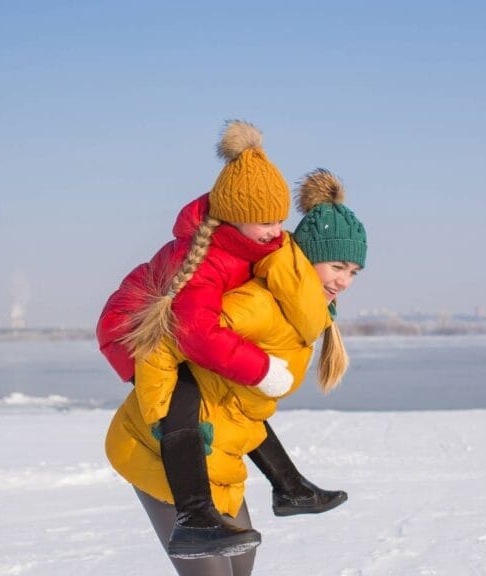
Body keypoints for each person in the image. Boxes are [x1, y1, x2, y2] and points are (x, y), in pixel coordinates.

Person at [96, 122, 346, 559]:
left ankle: (289, 486)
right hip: (133, 333)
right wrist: (261, 368)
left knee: (231, 400)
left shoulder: (248, 248)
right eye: (265, 221)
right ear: (234, 215)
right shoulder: (207, 259)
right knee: (183, 395)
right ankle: (193, 514)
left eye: (280, 220)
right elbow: (195, 332)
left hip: (177, 332)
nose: (276, 231)